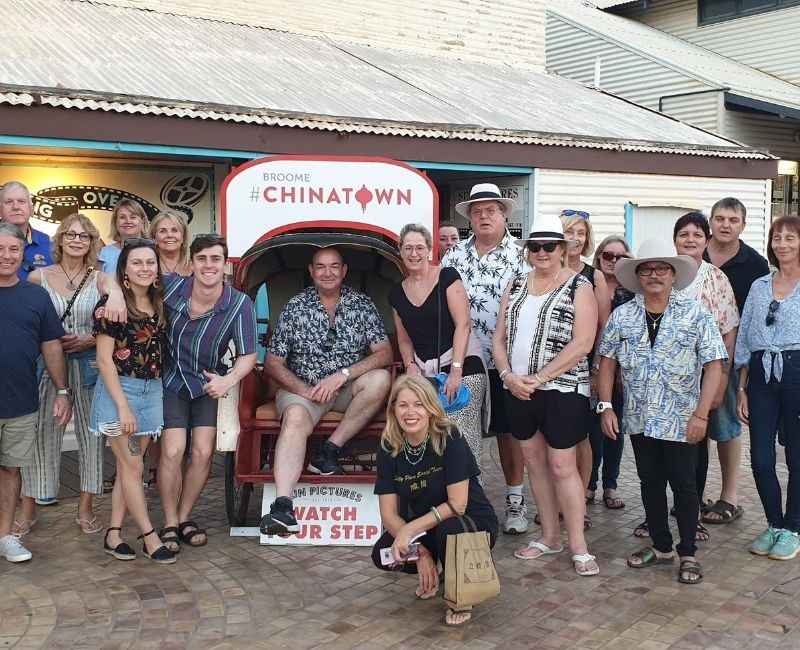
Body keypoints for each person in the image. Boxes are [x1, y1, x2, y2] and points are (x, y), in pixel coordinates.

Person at [598, 239, 726, 585]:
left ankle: (688, 553)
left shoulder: (695, 312)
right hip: (640, 416)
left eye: (662, 269)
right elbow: (606, 364)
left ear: (673, 275)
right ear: (638, 276)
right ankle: (661, 545)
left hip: (683, 419)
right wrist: (606, 406)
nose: (654, 275)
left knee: (685, 485)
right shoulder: (623, 315)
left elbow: (714, 364)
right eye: (647, 269)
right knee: (649, 482)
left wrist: (701, 414)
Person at [492, 214, 599, 575]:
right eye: (535, 246)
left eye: (549, 246)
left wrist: (539, 377)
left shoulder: (579, 286)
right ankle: (549, 537)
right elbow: (499, 338)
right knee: (534, 462)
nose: (542, 252)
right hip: (519, 389)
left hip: (563, 389)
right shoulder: (517, 284)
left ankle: (579, 546)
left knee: (561, 464)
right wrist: (507, 375)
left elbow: (583, 343)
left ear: (562, 249)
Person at [260, 246, 392, 535]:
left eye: (334, 266)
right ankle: (283, 506)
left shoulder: (362, 305)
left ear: (344, 271)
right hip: (302, 388)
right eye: (321, 267)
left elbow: (384, 353)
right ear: (311, 271)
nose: (328, 272)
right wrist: (304, 390)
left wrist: (343, 375)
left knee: (381, 378)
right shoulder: (295, 307)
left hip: (347, 389)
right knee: (294, 418)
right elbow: (272, 363)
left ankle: (330, 451)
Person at [371, 376, 498, 628]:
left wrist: (409, 531)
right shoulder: (389, 446)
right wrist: (420, 554)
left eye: (418, 404)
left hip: (468, 522)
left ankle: (463, 594)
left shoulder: (449, 437)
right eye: (403, 405)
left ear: (430, 408)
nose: (410, 412)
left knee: (448, 530)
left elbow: (457, 504)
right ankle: (439, 570)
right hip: (426, 527)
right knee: (382, 554)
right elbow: (388, 514)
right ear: (393, 409)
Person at [157, 234, 257, 552]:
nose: (208, 265)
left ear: (225, 264)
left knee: (202, 454)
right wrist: (115, 294)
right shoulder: (171, 286)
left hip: (207, 385)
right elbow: (120, 279)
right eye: (202, 258)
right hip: (170, 381)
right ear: (192, 263)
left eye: (215, 259)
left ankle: (185, 518)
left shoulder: (239, 303)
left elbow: (248, 355)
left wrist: (228, 381)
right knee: (173, 451)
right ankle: (170, 522)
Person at [443, 183, 528, 535]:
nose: (483, 216)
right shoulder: (453, 256)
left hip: (506, 361)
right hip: (463, 360)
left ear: (504, 214)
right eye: (477, 212)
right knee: (462, 432)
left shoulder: (522, 255)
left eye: (490, 210)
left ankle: (515, 500)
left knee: (510, 433)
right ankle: (466, 502)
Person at [17, 214, 105, 536]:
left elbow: (118, 320)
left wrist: (92, 338)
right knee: (40, 437)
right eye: (70, 234)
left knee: (92, 438)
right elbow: (25, 323)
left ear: (91, 241)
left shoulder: (101, 279)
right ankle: (29, 508)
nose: (77, 240)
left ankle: (85, 507)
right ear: (60, 239)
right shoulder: (38, 277)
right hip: (46, 367)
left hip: (90, 366)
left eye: (83, 235)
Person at [91, 238, 175, 564]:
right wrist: (123, 406)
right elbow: (103, 360)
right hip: (119, 392)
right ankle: (149, 536)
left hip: (151, 391)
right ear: (124, 269)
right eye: (136, 262)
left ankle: (113, 534)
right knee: (134, 466)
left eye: (150, 263)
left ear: (157, 269)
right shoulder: (111, 304)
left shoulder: (159, 301)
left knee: (129, 466)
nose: (144, 268)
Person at [0, 222, 72, 563]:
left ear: (22, 253)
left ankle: (6, 536)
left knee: (11, 470)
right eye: (1, 248)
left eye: (14, 249)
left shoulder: (35, 295)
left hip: (20, 401)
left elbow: (51, 346)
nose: (7, 255)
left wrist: (63, 390)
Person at [390, 223, 487, 471]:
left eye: (419, 247)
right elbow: (404, 339)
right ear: (400, 250)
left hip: (462, 365)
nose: (414, 253)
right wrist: (410, 366)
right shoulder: (397, 293)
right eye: (408, 248)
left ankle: (470, 503)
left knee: (460, 438)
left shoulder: (448, 277)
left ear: (429, 249)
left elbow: (463, 324)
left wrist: (456, 371)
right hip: (424, 373)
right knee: (426, 438)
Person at [735, 215, 800, 560]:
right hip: (760, 373)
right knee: (760, 458)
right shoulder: (761, 285)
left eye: (790, 238)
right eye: (777, 238)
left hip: (796, 371)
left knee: (796, 458)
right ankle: (774, 524)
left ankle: (792, 528)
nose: (782, 244)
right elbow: (745, 335)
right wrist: (742, 388)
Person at [673, 212, 739, 541]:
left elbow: (729, 330)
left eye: (697, 234)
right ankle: (658, 509)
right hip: (665, 376)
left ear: (706, 240)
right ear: (675, 240)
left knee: (695, 442)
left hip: (704, 373)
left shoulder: (716, 279)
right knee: (660, 442)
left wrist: (723, 378)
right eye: (683, 234)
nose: (690, 239)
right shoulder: (664, 273)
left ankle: (693, 508)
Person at [703, 197, 769, 524]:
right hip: (690, 360)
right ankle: (695, 493)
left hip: (731, 357)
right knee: (694, 425)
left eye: (733, 219)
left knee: (726, 426)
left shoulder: (754, 264)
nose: (725, 224)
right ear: (710, 222)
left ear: (743, 225)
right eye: (719, 218)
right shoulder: (695, 254)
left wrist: (736, 367)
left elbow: (754, 318)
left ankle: (729, 497)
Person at [560, 210, 610, 519]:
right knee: (552, 440)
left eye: (581, 232)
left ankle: (580, 501)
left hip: (581, 369)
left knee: (580, 437)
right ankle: (556, 503)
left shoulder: (595, 276)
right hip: (546, 368)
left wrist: (595, 369)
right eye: (569, 231)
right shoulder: (543, 268)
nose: (575, 237)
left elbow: (604, 329)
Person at [588, 236, 633, 513]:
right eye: (608, 255)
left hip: (624, 370)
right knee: (592, 429)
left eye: (621, 257)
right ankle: (590, 483)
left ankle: (610, 484)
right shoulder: (589, 283)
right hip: (593, 365)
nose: (614, 261)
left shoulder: (633, 289)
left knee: (616, 429)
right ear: (599, 256)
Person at [0, 181, 53, 280]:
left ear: (32, 209)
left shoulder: (50, 245)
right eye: (8, 202)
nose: (16, 207)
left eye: (21, 201)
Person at [98, 199, 148, 274]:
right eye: (122, 217)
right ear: (115, 222)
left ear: (142, 222)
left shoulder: (153, 251)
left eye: (133, 217)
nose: (128, 221)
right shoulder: (103, 254)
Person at [150, 210, 192, 277]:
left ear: (183, 237)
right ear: (154, 238)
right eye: (162, 231)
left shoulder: (195, 265)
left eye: (175, 230)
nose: (169, 235)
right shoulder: (147, 266)